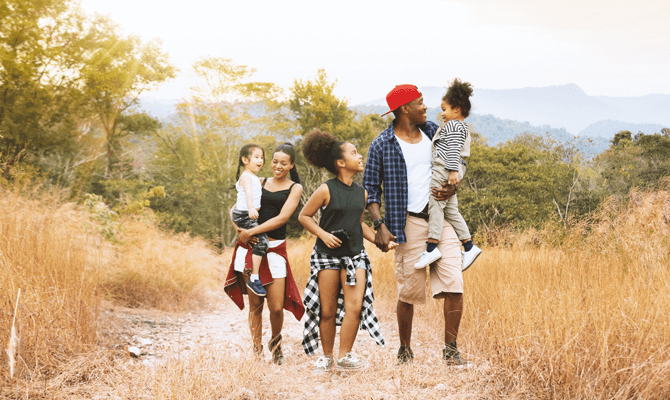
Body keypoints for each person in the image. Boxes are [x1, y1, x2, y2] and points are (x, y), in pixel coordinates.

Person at [363, 84, 471, 366]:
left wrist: (453, 182)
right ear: (404, 109)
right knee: (409, 291)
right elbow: (371, 190)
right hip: (406, 223)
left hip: (441, 219)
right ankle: (405, 349)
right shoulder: (382, 144)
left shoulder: (435, 130)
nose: (426, 107)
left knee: (454, 283)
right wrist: (379, 224)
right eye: (420, 103)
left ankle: (451, 350)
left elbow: (456, 159)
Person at [298, 129, 389, 374]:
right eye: (354, 153)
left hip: (355, 256)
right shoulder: (326, 189)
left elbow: (359, 224)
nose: (360, 156)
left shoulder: (362, 193)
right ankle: (326, 357)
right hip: (326, 257)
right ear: (341, 163)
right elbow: (304, 216)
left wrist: (381, 241)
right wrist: (323, 234)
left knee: (355, 307)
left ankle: (345, 355)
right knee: (326, 311)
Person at [224, 143, 305, 365]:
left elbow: (281, 219)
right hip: (252, 248)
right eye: (274, 161)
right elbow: (234, 210)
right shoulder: (258, 182)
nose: (277, 166)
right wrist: (241, 232)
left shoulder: (294, 188)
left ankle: (276, 343)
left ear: (291, 165)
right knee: (255, 305)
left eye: (283, 163)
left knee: (276, 307)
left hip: (275, 248)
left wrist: (252, 231)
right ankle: (256, 349)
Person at [415, 79, 482, 271]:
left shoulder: (453, 126)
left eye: (444, 109)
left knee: (435, 203)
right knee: (451, 210)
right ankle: (469, 246)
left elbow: (453, 149)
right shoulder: (461, 126)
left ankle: (431, 247)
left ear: (457, 109)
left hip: (444, 167)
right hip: (452, 167)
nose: (442, 113)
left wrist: (452, 171)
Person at [230, 143, 269, 297]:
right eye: (256, 157)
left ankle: (249, 270)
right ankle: (254, 278)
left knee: (257, 240)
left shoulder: (253, 177)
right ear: (245, 160)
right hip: (245, 214)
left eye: (262, 158)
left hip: (245, 213)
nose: (260, 161)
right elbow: (248, 192)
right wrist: (251, 207)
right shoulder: (246, 177)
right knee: (262, 241)